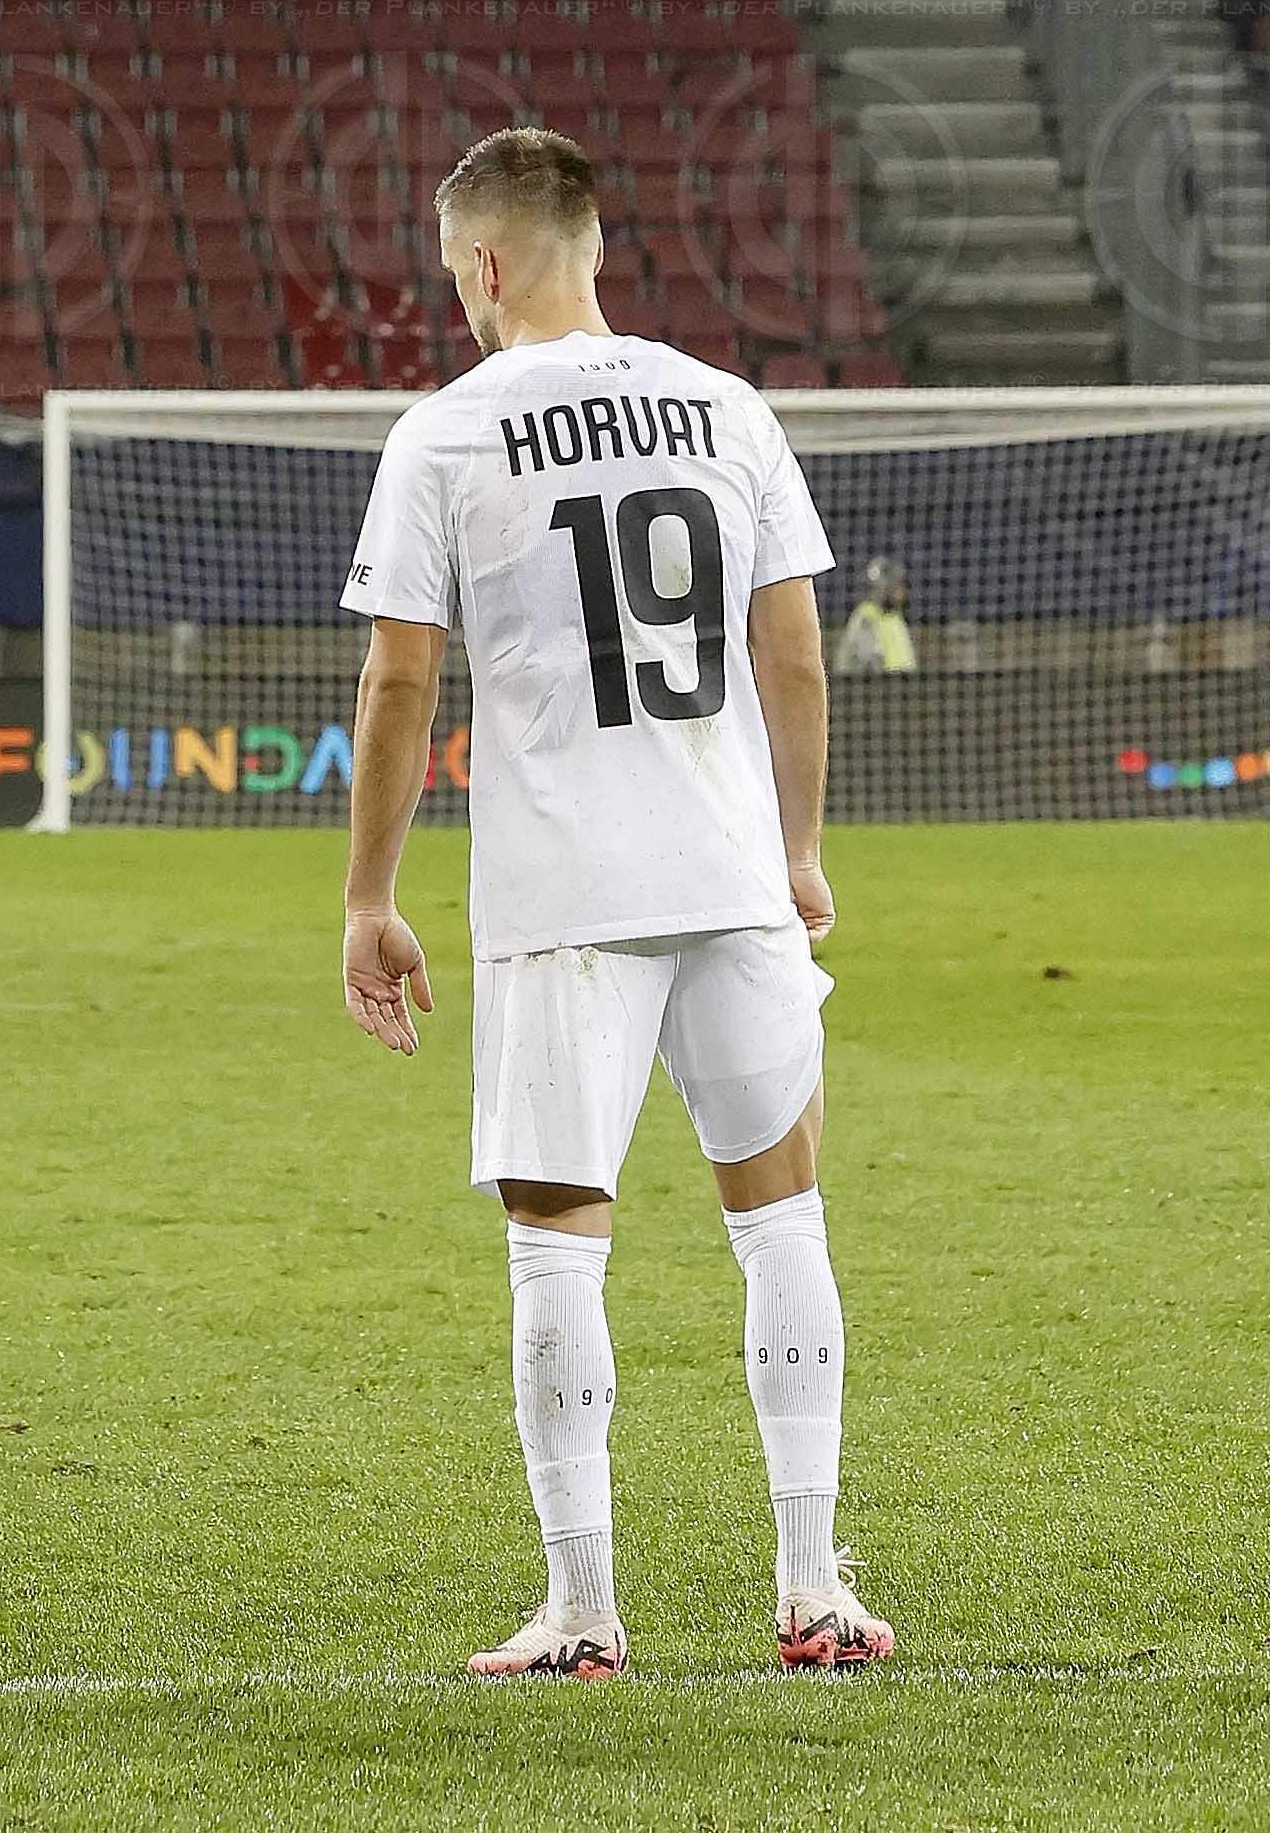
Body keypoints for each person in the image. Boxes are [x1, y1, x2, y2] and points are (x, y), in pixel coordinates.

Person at [338, 123, 889, 1686]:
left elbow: (398, 678)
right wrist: (796, 846)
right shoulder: (725, 407)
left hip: (560, 892)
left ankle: (583, 1607)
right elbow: (791, 648)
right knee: (781, 1217)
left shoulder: (445, 434)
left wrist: (369, 892)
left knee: (555, 1250)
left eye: (457, 272)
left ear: (491, 262)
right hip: (726, 873)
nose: (457, 299)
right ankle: (811, 1587)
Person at [831, 557, 917, 683]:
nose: (901, 592)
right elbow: (867, 663)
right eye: (896, 586)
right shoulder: (866, 616)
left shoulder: (894, 616)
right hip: (881, 693)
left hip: (903, 691)